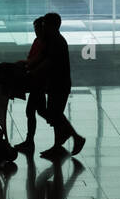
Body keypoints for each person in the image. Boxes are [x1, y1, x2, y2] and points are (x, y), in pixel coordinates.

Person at [0, 16, 47, 153]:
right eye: (35, 29)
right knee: (38, 111)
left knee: (38, 111)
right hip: (36, 80)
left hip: (38, 81)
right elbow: (31, 60)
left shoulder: (45, 44)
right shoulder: (39, 41)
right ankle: (33, 139)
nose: (36, 32)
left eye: (38, 29)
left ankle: (62, 129)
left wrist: (25, 65)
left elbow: (34, 62)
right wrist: (24, 63)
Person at [34, 12, 85, 161]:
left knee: (55, 114)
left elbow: (48, 62)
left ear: (50, 25)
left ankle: (75, 137)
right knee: (55, 114)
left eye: (44, 25)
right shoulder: (53, 40)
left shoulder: (56, 41)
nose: (42, 27)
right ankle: (59, 144)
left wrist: (34, 71)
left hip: (60, 84)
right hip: (55, 83)